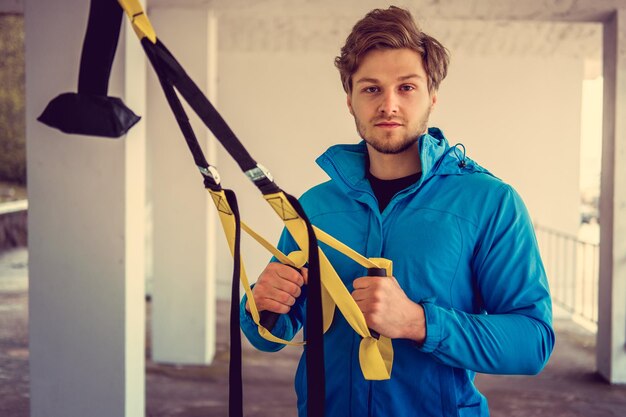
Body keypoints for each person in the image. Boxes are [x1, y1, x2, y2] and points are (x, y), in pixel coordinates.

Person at [240, 6, 554, 417]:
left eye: (406, 88)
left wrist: (418, 322)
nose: (389, 104)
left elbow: (532, 343)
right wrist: (263, 306)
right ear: (349, 101)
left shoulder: (490, 202)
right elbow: (272, 334)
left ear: (432, 98)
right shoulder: (315, 206)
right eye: (371, 89)